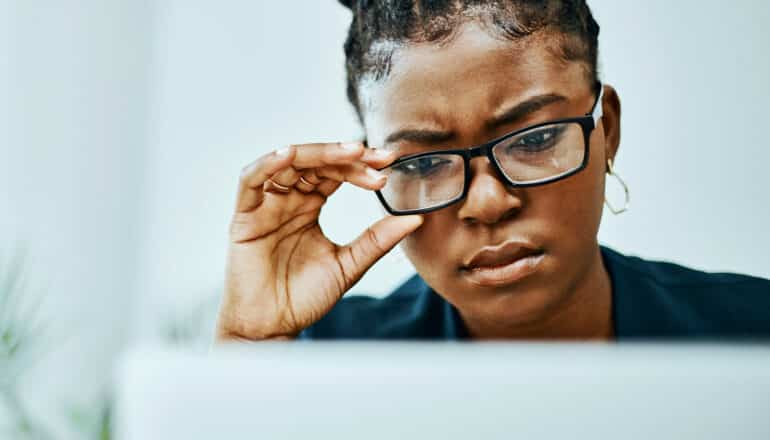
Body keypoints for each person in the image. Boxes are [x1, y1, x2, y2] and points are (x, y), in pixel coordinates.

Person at [215, 0, 770, 342]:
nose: (486, 203)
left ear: (609, 130)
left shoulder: (750, 334)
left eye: (535, 139)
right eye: (423, 162)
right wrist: (247, 348)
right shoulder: (328, 361)